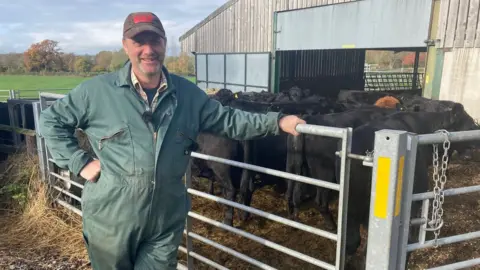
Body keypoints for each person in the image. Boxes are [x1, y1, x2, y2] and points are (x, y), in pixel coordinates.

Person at [39, 11, 306, 270]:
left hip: (165, 220)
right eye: (139, 41)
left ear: (165, 43)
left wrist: (277, 122)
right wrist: (80, 162)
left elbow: (229, 120)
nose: (148, 49)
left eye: (155, 40)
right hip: (111, 220)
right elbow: (50, 121)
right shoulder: (96, 92)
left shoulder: (187, 94)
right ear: (125, 46)